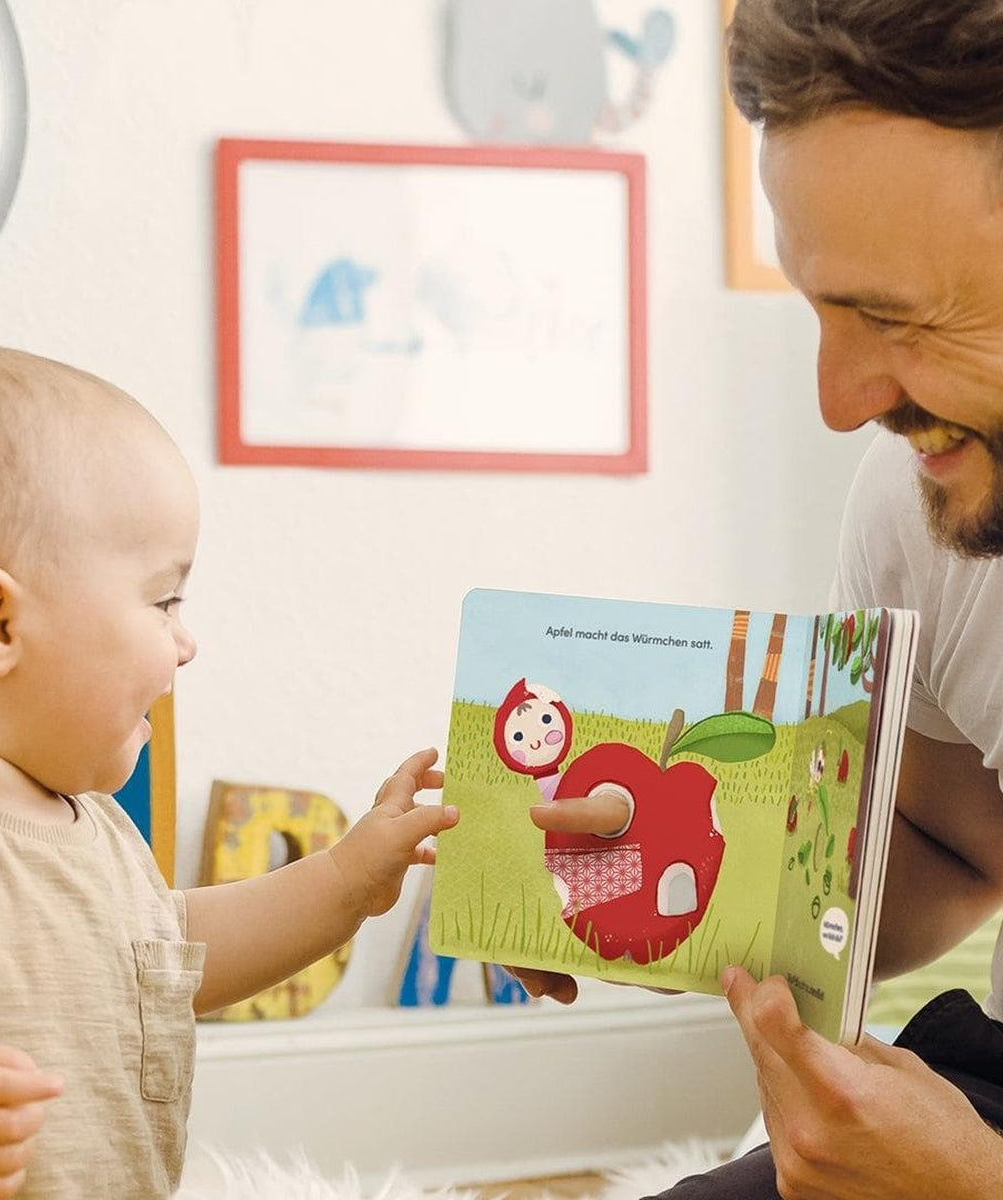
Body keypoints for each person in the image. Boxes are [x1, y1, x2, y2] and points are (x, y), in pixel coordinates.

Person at [514, 2, 1003, 1196]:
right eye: (824, 310)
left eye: (895, 317)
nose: (840, 402)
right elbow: (951, 845)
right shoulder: (927, 497)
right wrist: (680, 888)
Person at [0, 344, 459, 1200]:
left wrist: (343, 879)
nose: (186, 642)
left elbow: (168, 960)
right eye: (164, 601)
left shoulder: (92, 825)